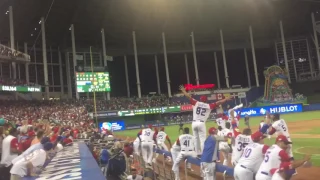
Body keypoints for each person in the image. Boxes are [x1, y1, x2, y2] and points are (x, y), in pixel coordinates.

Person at [179, 85, 232, 156]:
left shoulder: (196, 102)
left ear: (201, 99)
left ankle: (198, 153)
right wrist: (226, 99)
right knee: (202, 139)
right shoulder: (208, 105)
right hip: (201, 123)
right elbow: (218, 102)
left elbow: (189, 97)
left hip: (194, 123)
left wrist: (184, 91)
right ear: (206, 100)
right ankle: (204, 154)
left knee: (196, 139)